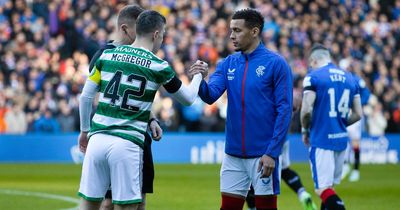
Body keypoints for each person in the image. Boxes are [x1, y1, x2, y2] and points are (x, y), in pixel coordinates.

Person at [78, 10, 208, 210]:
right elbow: (189, 99)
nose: (162, 40)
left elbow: (86, 97)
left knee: (88, 205)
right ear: (156, 34)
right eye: (163, 35)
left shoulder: (108, 54)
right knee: (127, 206)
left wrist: (85, 131)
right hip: (127, 143)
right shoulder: (158, 66)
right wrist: (198, 75)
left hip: (97, 139)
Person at [190, 8, 293, 210]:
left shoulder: (276, 63)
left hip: (263, 153)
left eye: (237, 30)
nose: (231, 35)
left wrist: (272, 152)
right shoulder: (228, 63)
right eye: (231, 30)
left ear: (254, 31)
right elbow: (210, 96)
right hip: (233, 154)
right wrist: (200, 80)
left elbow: (285, 110)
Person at [85, 5, 162, 210]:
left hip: (138, 134)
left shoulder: (142, 57)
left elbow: (135, 95)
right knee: (109, 201)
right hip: (114, 133)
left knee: (139, 199)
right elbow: (93, 95)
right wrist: (85, 130)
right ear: (125, 29)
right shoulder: (104, 55)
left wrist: (152, 118)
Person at [300, 44, 362, 210]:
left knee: (322, 189)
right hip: (341, 140)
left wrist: (305, 130)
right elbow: (358, 114)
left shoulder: (314, 77)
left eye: (310, 63)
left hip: (321, 139)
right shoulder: (351, 78)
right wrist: (340, 123)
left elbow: (306, 110)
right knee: (329, 188)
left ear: (313, 60)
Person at [246, 92, 317, 210]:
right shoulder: (286, 94)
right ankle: (302, 193)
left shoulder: (268, 92)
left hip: (262, 137)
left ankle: (252, 207)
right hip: (281, 136)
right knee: (284, 170)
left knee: (250, 173)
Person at [342, 72, 371, 182]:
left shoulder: (356, 80)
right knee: (342, 139)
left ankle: (355, 170)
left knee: (355, 142)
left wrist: (357, 104)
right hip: (343, 113)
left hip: (354, 113)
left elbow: (367, 94)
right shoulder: (339, 80)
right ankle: (344, 165)